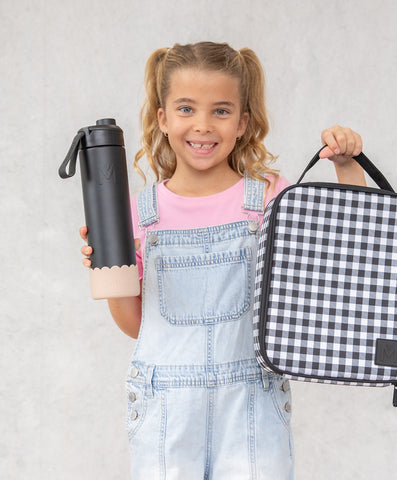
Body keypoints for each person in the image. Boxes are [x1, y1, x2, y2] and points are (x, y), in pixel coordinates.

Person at [80, 41, 366, 479]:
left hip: (251, 406)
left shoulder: (270, 197)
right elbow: (139, 326)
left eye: (221, 110)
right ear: (163, 118)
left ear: (242, 123)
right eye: (186, 109)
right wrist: (109, 266)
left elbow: (344, 252)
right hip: (167, 411)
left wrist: (347, 167)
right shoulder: (137, 213)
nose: (203, 125)